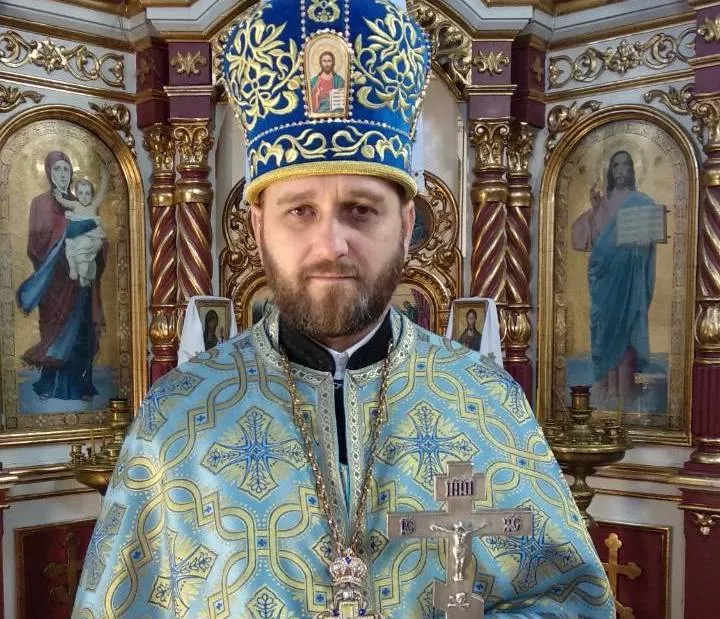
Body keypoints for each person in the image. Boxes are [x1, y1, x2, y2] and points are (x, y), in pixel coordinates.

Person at [74, 0, 612, 616]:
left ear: (405, 224)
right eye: (300, 211)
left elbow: (574, 601)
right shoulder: (175, 422)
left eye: (360, 210)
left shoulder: (486, 402)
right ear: (258, 225)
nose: (331, 244)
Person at [16, 151, 107, 402]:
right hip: (54, 281)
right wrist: (72, 231)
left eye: (66, 169)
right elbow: (35, 243)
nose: (62, 174)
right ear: (48, 172)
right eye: (57, 169)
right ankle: (48, 385)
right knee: (54, 332)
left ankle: (81, 386)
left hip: (80, 282)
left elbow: (99, 236)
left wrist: (96, 244)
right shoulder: (40, 203)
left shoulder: (80, 201)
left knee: (81, 331)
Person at [571, 150, 659, 409]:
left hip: (629, 278)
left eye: (626, 165)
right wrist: (596, 208)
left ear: (632, 169)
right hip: (604, 281)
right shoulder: (603, 203)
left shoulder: (642, 202)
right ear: (610, 171)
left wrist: (643, 244)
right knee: (605, 332)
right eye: (616, 165)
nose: (621, 170)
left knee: (626, 329)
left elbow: (648, 240)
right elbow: (589, 238)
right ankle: (607, 388)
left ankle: (625, 390)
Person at [55, 168, 108, 287]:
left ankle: (84, 276)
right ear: (77, 195)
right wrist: (59, 198)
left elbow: (102, 192)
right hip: (78, 236)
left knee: (93, 247)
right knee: (71, 247)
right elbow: (64, 202)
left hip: (92, 236)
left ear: (92, 195)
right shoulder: (75, 205)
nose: (84, 197)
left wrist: (104, 177)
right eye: (81, 193)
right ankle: (73, 267)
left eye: (87, 193)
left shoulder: (93, 205)